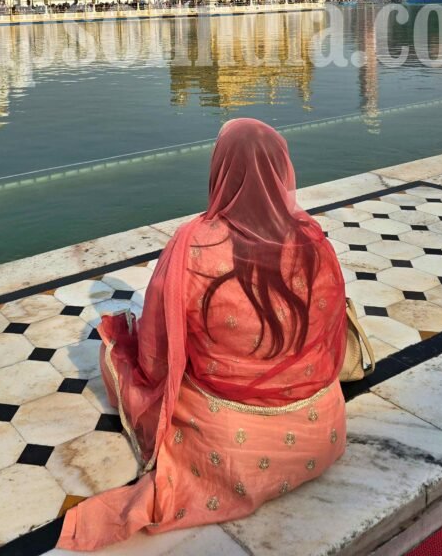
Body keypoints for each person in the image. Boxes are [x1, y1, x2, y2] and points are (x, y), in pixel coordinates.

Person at [58, 118, 347, 551]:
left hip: (228, 446)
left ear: (221, 171)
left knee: (114, 345)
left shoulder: (194, 242)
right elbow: (330, 335)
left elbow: (157, 356)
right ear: (283, 170)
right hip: (321, 433)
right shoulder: (312, 240)